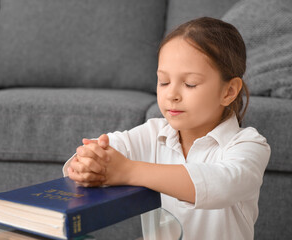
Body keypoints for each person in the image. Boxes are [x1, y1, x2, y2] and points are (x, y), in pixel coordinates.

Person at [63, 17, 270, 240]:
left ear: (229, 91)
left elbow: (221, 184)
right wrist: (88, 162)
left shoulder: (249, 145)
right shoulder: (153, 133)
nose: (172, 95)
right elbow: (102, 152)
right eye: (163, 82)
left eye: (190, 84)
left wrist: (128, 171)